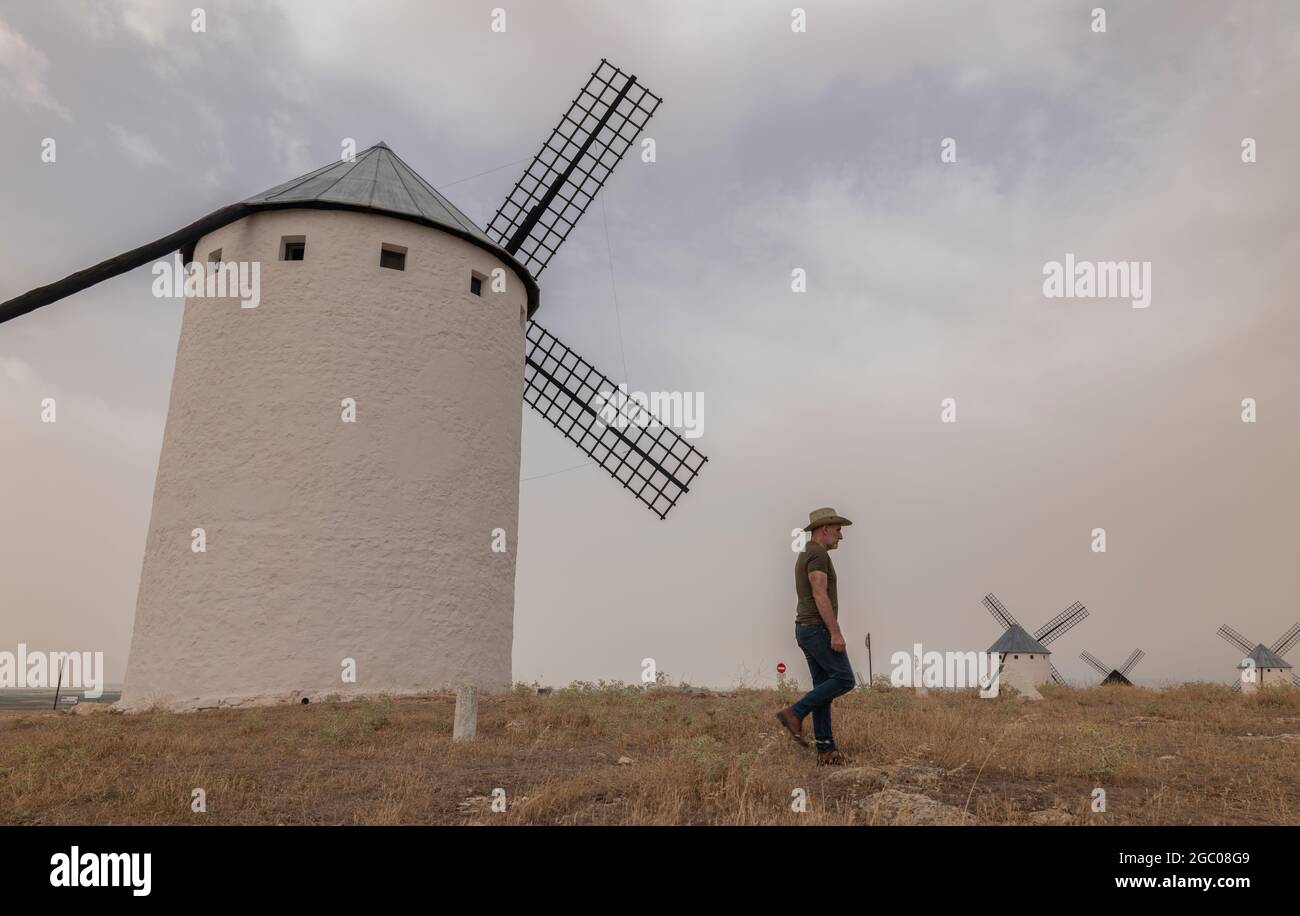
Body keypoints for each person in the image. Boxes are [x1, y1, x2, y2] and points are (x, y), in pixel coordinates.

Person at [775, 507, 856, 765]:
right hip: (816, 629)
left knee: (824, 687)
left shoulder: (808, 553)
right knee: (844, 679)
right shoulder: (818, 555)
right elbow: (819, 594)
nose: (841, 536)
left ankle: (826, 750)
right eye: (838, 530)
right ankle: (794, 713)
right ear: (825, 529)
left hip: (806, 628)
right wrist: (835, 632)